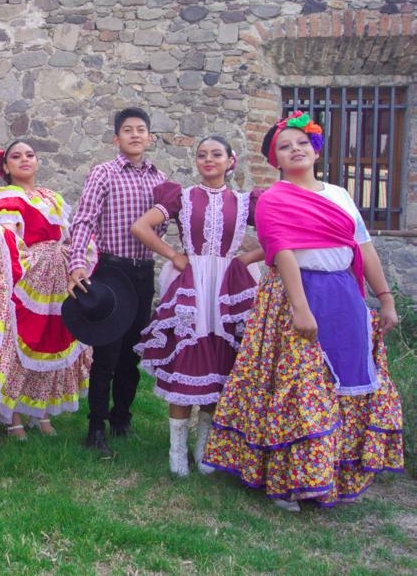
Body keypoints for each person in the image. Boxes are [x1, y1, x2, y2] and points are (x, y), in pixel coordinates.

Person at [203, 112, 404, 509]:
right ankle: (289, 480)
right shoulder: (275, 199)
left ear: (315, 148)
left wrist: (385, 298)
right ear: (275, 160)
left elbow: (362, 248)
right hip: (296, 296)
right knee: (298, 385)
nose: (294, 150)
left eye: (300, 143)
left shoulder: (340, 196)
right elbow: (284, 253)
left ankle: (335, 476)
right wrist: (301, 308)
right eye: (284, 146)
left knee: (346, 380)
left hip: (344, 295)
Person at [131, 136, 264, 476]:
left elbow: (282, 233)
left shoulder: (246, 201)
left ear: (230, 160)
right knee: (187, 361)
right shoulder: (183, 197)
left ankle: (206, 450)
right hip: (192, 284)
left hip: (228, 285)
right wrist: (175, 255)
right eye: (202, 155)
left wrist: (248, 256)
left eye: (216, 154)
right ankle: (177, 453)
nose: (208, 160)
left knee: (219, 363)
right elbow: (141, 227)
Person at [0, 140, 91, 439]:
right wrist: (25, 267)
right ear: (5, 166)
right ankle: (13, 415)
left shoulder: (52, 197)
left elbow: (69, 234)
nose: (24, 160)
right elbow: (6, 241)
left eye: (29, 155)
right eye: (16, 156)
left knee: (52, 339)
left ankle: (41, 411)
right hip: (26, 276)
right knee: (17, 343)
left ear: (38, 162)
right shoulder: (6, 198)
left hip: (57, 279)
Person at [67, 107, 166, 458]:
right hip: (111, 272)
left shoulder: (161, 180)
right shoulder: (103, 174)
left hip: (143, 273)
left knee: (132, 352)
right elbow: (83, 221)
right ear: (116, 138)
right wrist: (77, 263)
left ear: (150, 137)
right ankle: (96, 427)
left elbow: (164, 225)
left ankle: (122, 419)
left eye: (141, 129)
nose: (135, 135)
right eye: (128, 130)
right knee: (106, 353)